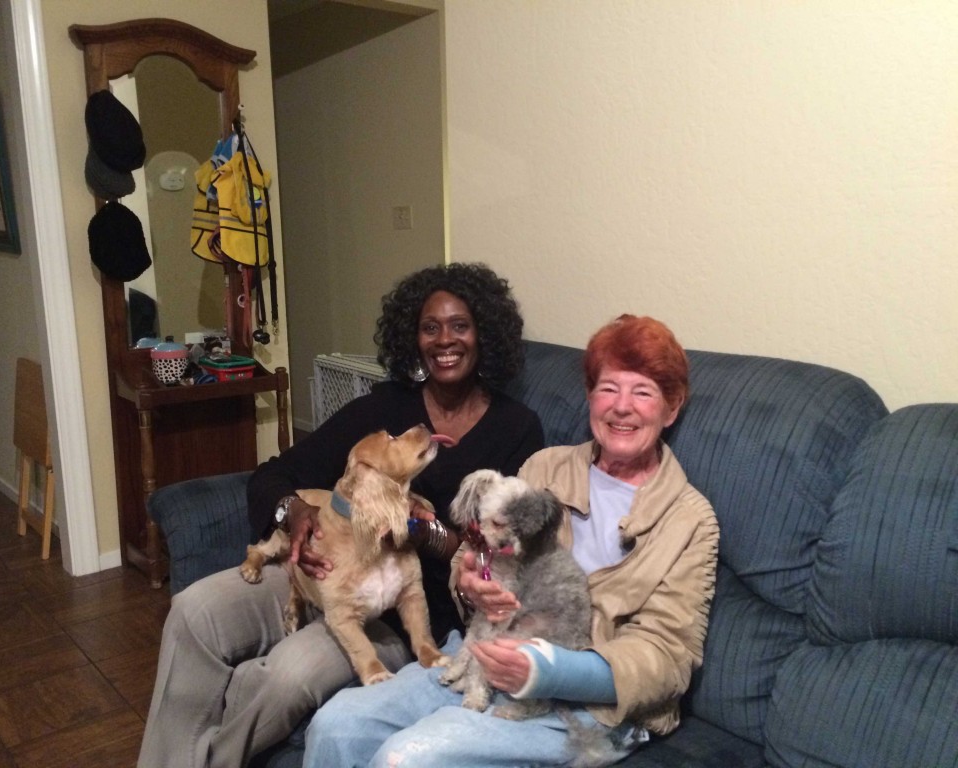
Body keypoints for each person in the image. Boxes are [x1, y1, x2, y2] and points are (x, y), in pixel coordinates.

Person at [137, 262, 544, 768]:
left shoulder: (517, 428)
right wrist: (295, 514)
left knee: (288, 673)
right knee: (194, 612)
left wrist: (419, 528)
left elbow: (504, 554)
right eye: (430, 327)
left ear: (484, 332)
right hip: (320, 569)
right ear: (413, 338)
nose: (445, 340)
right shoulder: (385, 407)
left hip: (404, 616)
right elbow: (275, 473)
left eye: (460, 325)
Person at [303, 314, 720, 768]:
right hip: (482, 653)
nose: (622, 406)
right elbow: (473, 553)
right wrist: (471, 581)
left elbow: (668, 657)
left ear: (672, 407)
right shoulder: (545, 467)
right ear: (590, 397)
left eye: (642, 392)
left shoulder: (690, 520)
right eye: (608, 388)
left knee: (407, 758)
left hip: (592, 706)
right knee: (336, 723)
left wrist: (548, 670)